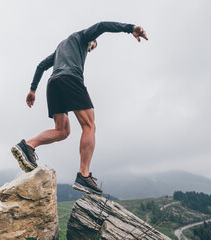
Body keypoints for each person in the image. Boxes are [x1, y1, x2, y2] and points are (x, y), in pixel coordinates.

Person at [12, 21, 148, 195]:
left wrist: (32, 90)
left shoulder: (60, 49)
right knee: (89, 125)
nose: (90, 49)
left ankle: (28, 145)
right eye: (92, 46)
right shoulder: (82, 37)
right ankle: (84, 175)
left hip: (53, 83)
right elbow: (102, 26)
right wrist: (130, 29)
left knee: (62, 131)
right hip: (70, 78)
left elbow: (41, 66)